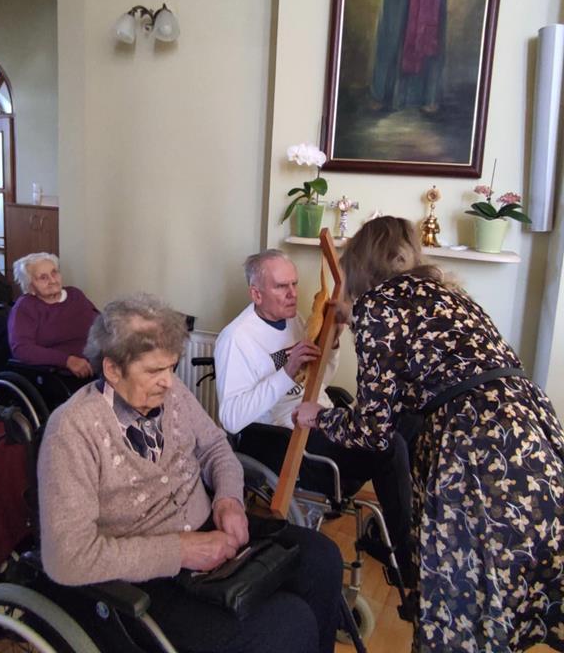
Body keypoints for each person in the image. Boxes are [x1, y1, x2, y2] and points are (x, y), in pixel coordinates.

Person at [294, 216, 564, 653]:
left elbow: (373, 430)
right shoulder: (447, 295)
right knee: (518, 575)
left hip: (479, 447)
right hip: (529, 428)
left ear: (359, 264)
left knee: (463, 600)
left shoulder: (378, 305)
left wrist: (320, 417)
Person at [37, 293, 343, 653]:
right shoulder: (72, 431)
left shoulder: (173, 393)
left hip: (209, 534)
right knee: (287, 625)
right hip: (145, 578)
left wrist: (228, 499)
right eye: (154, 371)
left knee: (322, 559)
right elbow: (67, 559)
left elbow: (215, 448)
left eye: (171, 367)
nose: (169, 382)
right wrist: (179, 551)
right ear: (112, 369)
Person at [215, 249, 413, 572]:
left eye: (294, 284)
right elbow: (231, 418)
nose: (293, 293)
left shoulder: (293, 320)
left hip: (322, 420)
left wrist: (330, 347)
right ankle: (403, 553)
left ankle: (396, 530)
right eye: (281, 286)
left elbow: (317, 382)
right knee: (389, 446)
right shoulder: (236, 339)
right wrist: (286, 372)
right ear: (256, 294)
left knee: (406, 418)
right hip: (289, 441)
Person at [7, 253, 98, 380]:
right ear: (30, 286)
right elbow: (22, 348)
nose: (52, 281)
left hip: (97, 365)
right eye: (43, 277)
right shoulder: (25, 307)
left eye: (54, 273)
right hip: (58, 375)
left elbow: (101, 323)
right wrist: (67, 361)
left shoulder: (75, 295)